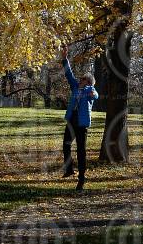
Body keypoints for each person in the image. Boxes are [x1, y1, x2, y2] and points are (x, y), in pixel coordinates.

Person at [60, 45, 98, 191]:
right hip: (71, 120)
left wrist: (92, 93)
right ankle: (69, 169)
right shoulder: (76, 87)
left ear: (88, 82)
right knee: (66, 145)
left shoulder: (90, 89)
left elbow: (96, 95)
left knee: (81, 150)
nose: (80, 79)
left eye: (83, 78)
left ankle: (81, 179)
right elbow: (69, 74)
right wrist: (65, 58)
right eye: (81, 78)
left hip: (82, 124)